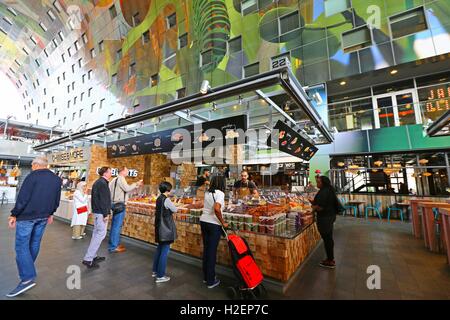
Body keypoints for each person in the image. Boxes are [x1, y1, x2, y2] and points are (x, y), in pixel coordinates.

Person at [6, 156, 62, 298]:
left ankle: (27, 278)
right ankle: (28, 270)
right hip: (43, 216)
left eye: (32, 166)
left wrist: (14, 214)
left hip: (27, 217)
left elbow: (23, 198)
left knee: (21, 246)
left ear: (36, 165)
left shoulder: (32, 177)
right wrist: (51, 213)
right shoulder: (56, 179)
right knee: (35, 242)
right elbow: (56, 199)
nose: (31, 168)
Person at [201, 175, 229, 289]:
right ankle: (211, 281)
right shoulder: (220, 193)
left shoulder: (207, 193)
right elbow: (217, 208)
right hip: (213, 224)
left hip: (203, 221)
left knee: (207, 250)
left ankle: (206, 277)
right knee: (212, 252)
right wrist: (223, 222)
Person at [82, 167, 112, 269]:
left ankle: (93, 256)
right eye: (110, 171)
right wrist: (105, 214)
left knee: (96, 234)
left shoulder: (98, 182)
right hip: (101, 213)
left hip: (97, 212)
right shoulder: (103, 184)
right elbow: (103, 201)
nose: (111, 173)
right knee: (100, 235)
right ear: (105, 173)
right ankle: (88, 258)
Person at [108, 167, 143, 253]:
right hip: (119, 205)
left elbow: (119, 191)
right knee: (117, 226)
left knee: (114, 226)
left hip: (113, 204)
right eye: (127, 170)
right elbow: (127, 189)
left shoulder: (114, 179)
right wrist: (136, 183)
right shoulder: (121, 179)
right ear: (122, 171)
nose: (128, 172)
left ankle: (113, 244)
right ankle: (113, 247)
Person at [309, 176, 340, 269]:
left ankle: (330, 261)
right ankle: (330, 258)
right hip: (330, 217)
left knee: (327, 239)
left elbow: (321, 207)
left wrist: (313, 208)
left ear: (323, 183)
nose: (317, 184)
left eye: (318, 182)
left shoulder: (324, 192)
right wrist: (312, 202)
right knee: (329, 238)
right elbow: (321, 203)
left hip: (325, 219)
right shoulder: (328, 190)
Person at [153, 182, 178, 283]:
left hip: (159, 227)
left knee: (159, 249)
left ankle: (155, 271)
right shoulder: (166, 199)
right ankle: (160, 275)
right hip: (165, 229)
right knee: (164, 251)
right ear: (168, 190)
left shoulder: (159, 198)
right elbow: (175, 209)